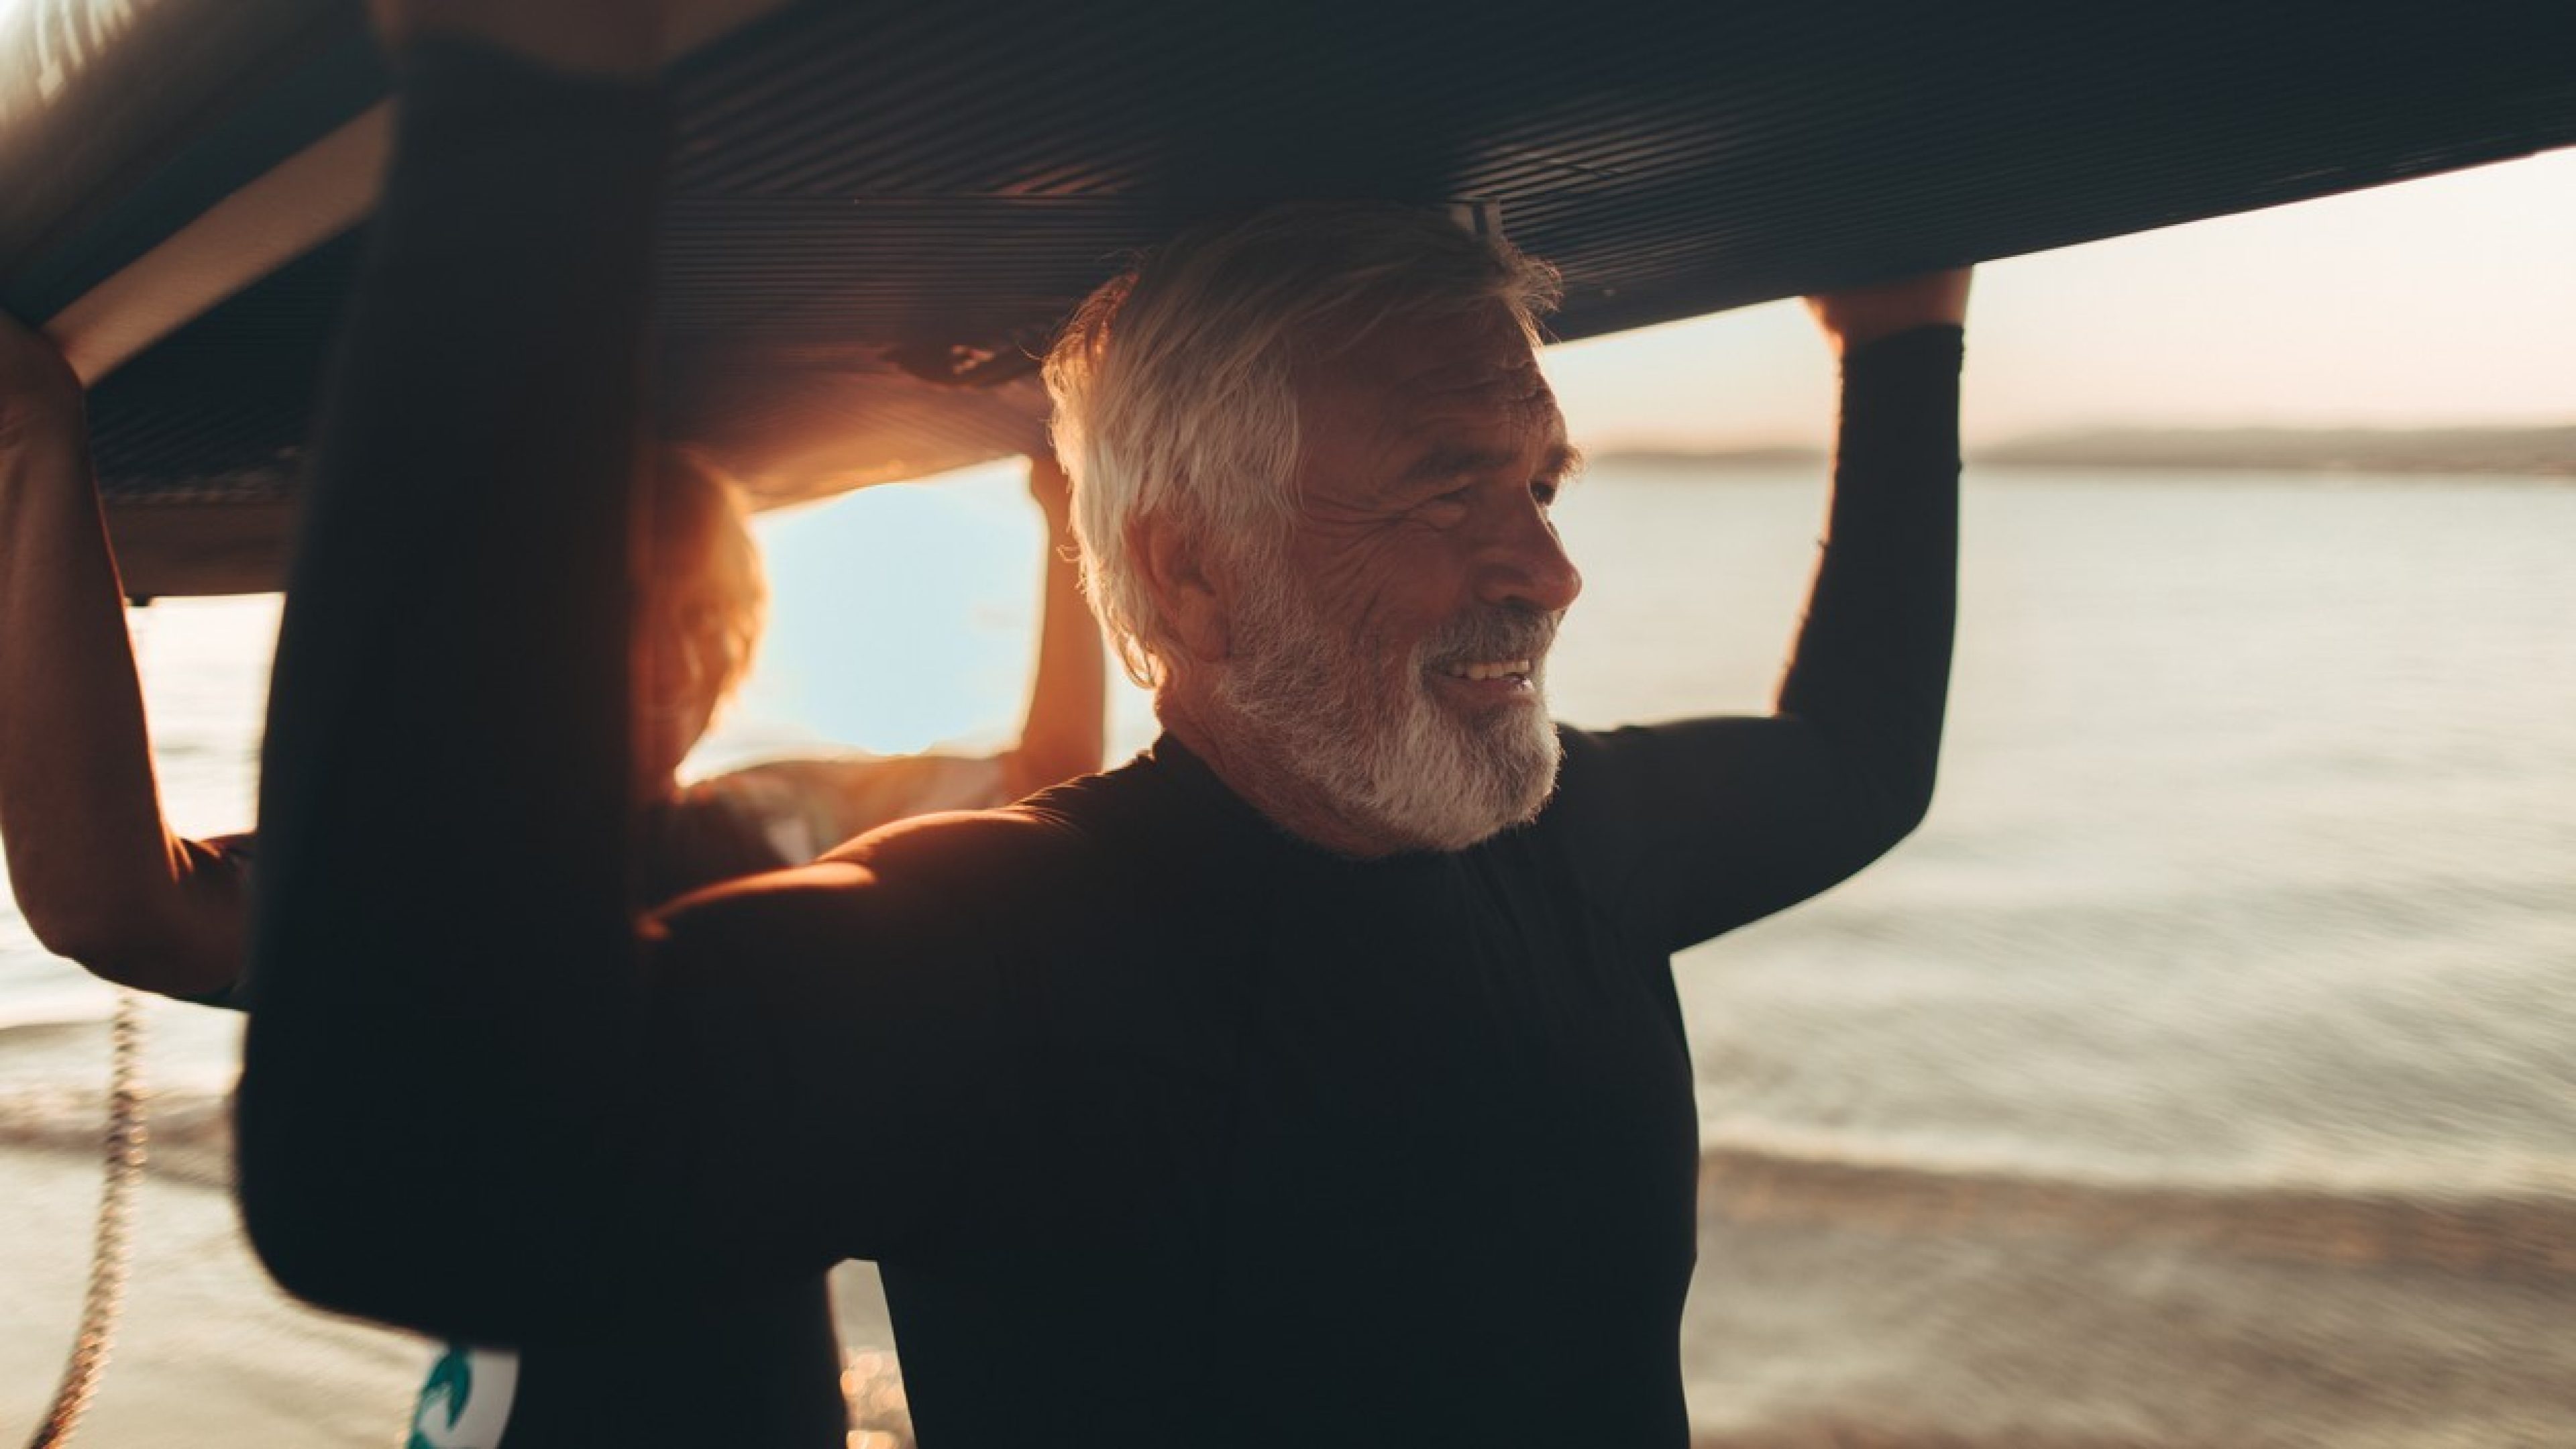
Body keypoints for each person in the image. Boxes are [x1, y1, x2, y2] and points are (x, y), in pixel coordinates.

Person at [238, 7, 1968, 1446]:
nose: (1550, 569)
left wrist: (1905, 345)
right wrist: (531, 112)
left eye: (1539, 479)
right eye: (1451, 492)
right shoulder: (997, 944)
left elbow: (1862, 769)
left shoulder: (1578, 839)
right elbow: (413, 1172)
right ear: (1188, 570)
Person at [0, 298, 1104, 1441]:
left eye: (714, 610)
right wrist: (38, 444)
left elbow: (1048, 787)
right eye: (627, 607)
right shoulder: (444, 869)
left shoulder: (783, 819)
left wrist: (1061, 503)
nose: (682, 658)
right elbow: (116, 908)